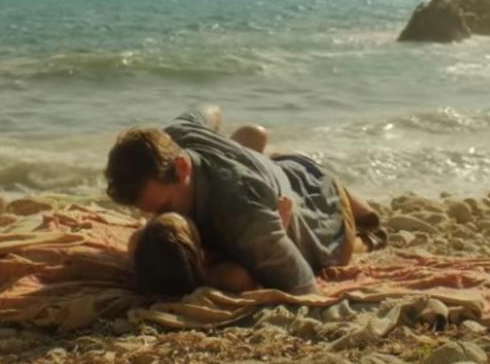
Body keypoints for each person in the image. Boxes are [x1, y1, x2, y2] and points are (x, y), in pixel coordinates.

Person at [106, 106, 384, 296]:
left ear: (181, 167)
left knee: (365, 225)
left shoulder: (247, 221)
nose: (157, 218)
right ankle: (251, 156)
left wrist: (274, 231)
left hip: (321, 207)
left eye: (164, 208)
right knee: (253, 136)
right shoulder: (175, 135)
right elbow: (211, 110)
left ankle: (363, 219)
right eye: (149, 212)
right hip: (272, 174)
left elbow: (304, 287)